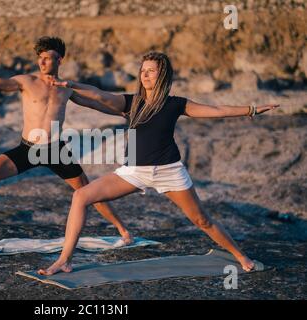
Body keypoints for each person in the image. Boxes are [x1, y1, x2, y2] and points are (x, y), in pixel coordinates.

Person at [38, 51, 280, 275]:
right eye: (142, 70)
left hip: (169, 171)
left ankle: (241, 257)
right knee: (81, 196)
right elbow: (100, 95)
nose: (144, 74)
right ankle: (65, 260)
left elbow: (216, 109)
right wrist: (71, 85)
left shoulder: (176, 104)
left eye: (150, 70)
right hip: (133, 171)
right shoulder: (132, 103)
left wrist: (252, 109)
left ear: (162, 74)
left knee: (202, 220)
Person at [0, 36, 132, 247]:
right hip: (28, 149)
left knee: (87, 191)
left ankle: (123, 230)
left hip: (56, 150)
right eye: (41, 58)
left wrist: (123, 114)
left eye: (48, 58)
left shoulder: (66, 87)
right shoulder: (26, 81)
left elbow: (94, 103)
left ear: (60, 60)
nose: (43, 62)